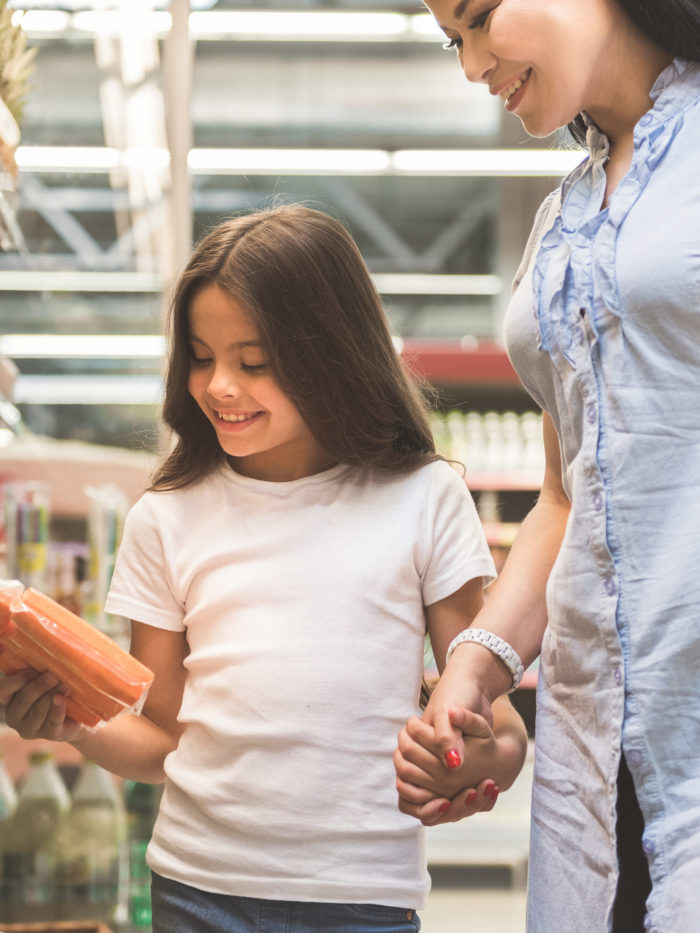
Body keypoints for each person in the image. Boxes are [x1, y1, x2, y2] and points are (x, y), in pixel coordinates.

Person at [0, 204, 528, 933]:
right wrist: (70, 722)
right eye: (200, 355)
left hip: (362, 900)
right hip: (195, 889)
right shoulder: (166, 517)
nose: (219, 386)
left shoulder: (423, 498)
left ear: (333, 354)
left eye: (254, 362)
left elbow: (499, 730)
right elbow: (164, 738)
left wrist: (470, 763)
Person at [393, 1, 700, 931]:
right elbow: (567, 499)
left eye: (482, 16)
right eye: (453, 39)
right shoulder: (560, 221)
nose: (473, 62)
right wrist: (473, 670)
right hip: (593, 751)